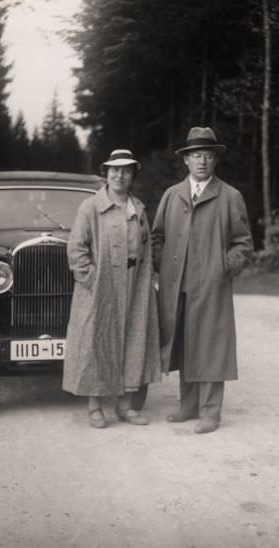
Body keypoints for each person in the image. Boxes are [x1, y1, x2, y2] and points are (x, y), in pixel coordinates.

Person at [152, 127, 253, 434]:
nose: (202, 162)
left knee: (210, 346)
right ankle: (188, 405)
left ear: (215, 160)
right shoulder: (172, 195)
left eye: (208, 156)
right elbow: (157, 237)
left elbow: (244, 245)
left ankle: (211, 411)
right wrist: (164, 266)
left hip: (211, 287)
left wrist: (222, 267)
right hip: (176, 286)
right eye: (196, 156)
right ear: (186, 161)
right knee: (183, 343)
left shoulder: (230, 196)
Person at [63, 149, 162, 428]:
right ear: (106, 173)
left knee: (132, 338)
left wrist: (147, 282)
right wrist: (93, 280)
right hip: (101, 286)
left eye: (126, 170)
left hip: (134, 283)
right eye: (114, 170)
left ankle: (125, 405)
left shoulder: (139, 208)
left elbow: (146, 247)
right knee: (98, 339)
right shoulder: (91, 207)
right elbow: (77, 248)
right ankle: (95, 406)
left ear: (133, 174)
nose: (120, 175)